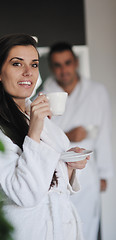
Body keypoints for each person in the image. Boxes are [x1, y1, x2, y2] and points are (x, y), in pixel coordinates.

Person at [0, 34, 89, 240]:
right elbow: (25, 195)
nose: (28, 72)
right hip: (27, 231)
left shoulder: (35, 115)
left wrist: (70, 164)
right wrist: (34, 131)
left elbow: (55, 180)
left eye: (34, 64)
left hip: (60, 228)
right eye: (17, 64)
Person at [42, 42, 113, 240]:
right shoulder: (43, 93)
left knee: (87, 228)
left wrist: (105, 174)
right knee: (58, 230)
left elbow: (104, 133)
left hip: (88, 174)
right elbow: (38, 136)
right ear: (51, 67)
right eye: (57, 65)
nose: (63, 70)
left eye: (67, 63)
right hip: (54, 173)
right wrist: (68, 136)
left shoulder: (97, 92)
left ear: (76, 62)